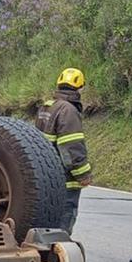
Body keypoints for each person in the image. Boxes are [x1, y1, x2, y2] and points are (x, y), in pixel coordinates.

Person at [34, 67, 91, 234]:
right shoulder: (68, 110)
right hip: (65, 180)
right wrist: (83, 174)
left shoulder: (47, 106)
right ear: (80, 88)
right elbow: (71, 147)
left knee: (45, 223)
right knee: (62, 226)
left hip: (46, 179)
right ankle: (59, 253)